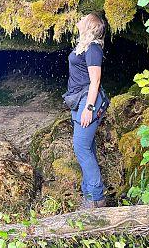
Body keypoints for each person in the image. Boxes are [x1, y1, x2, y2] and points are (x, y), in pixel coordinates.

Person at [67, 12, 108, 209]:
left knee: (81, 147)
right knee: (87, 148)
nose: (79, 19)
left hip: (88, 100)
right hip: (80, 99)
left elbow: (96, 81)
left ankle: (96, 198)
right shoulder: (84, 47)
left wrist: (89, 108)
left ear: (90, 26)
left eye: (84, 17)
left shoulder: (93, 49)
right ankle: (89, 195)